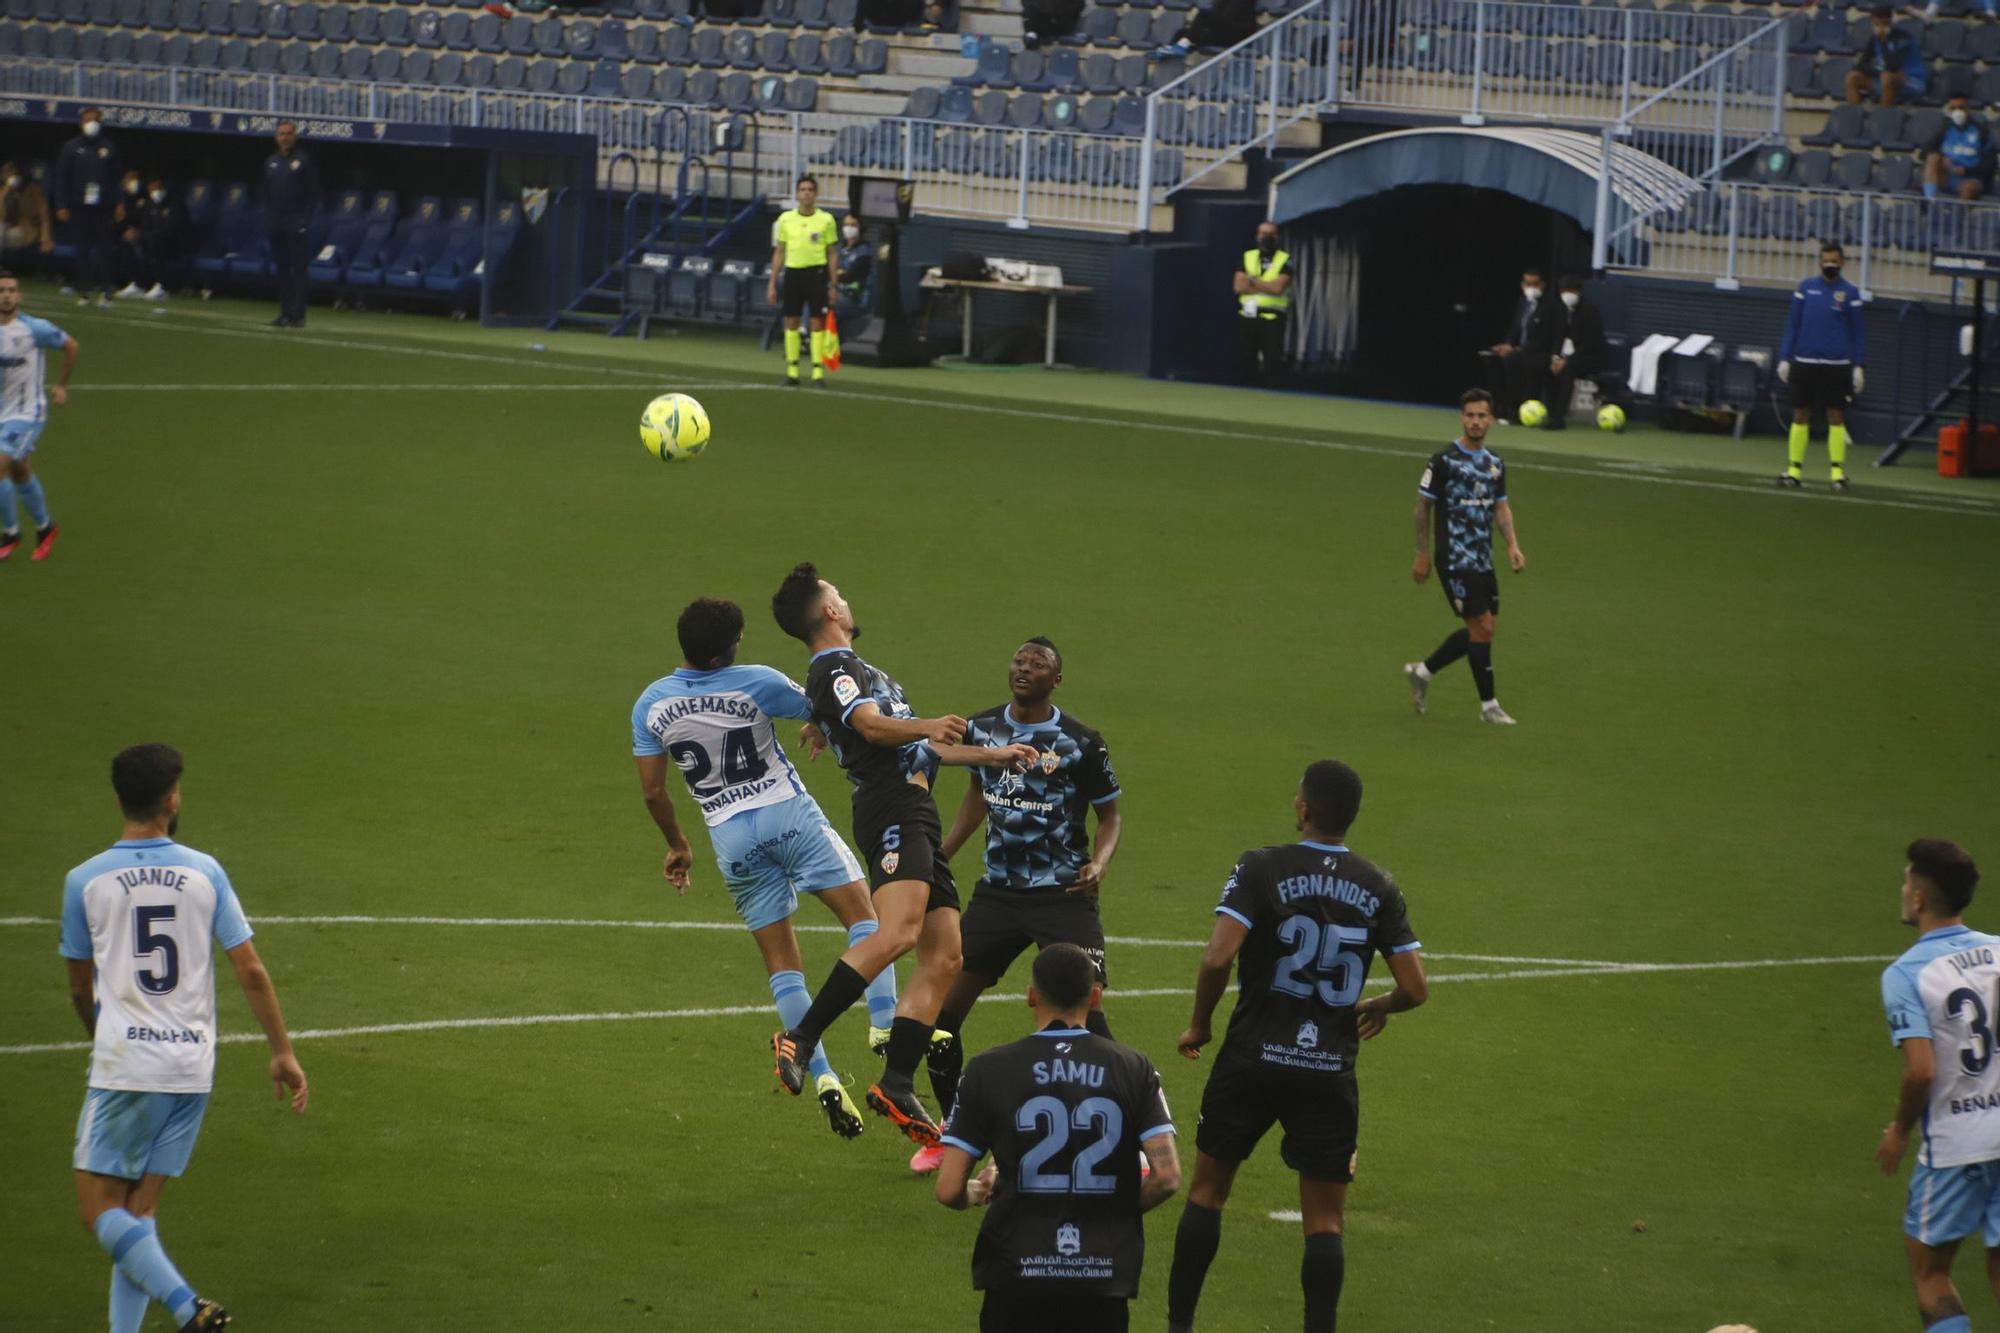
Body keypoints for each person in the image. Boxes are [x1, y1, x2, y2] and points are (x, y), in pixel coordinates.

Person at [767, 562, 1038, 1145]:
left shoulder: (853, 670)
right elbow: (869, 725)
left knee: (945, 957)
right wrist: (925, 724)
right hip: (890, 809)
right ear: (830, 612)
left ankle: (895, 1081)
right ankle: (801, 1037)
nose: (845, 595)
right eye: (838, 592)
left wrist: (996, 757)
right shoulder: (834, 666)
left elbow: (914, 748)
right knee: (896, 934)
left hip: (915, 809)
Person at [1164, 760, 1428, 1333]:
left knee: (1207, 1193)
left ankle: (1179, 1326)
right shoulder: (1379, 885)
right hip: (1328, 1068)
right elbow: (1414, 989)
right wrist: (1379, 1006)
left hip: (1251, 1057)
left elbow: (1217, 956)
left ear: (1303, 808)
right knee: (1326, 1222)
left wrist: (1199, 1025)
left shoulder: (1260, 866)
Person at [632, 597, 904, 1140]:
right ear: (731, 646)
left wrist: (678, 845)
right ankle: (884, 1024)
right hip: (787, 816)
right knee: (868, 919)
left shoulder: (650, 704)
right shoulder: (756, 680)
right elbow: (830, 709)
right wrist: (821, 730)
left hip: (730, 841)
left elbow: (654, 791)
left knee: (784, 967)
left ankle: (822, 1075)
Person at [60, 742, 308, 1333]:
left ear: (120, 798)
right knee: (138, 1214)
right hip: (191, 1069)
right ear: (171, 800)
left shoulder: (85, 881)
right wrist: (282, 1050)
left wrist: (103, 1036)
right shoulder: (204, 872)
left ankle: (187, 1307)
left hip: (126, 1066)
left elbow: (77, 987)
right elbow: (250, 969)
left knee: (99, 1214)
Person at [920, 637, 1123, 1174]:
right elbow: (977, 796)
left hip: (1062, 896)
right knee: (940, 1018)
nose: (1024, 668)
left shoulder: (1081, 742)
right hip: (998, 895)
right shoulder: (981, 729)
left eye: (1038, 664)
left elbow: (1110, 816)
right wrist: (939, 857)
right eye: (1019, 660)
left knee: (1090, 1022)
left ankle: (1127, 1139)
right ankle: (952, 1133)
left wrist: (1099, 864)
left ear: (1056, 681)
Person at [935, 943, 1181, 1333]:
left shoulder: (988, 1069)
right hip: (1101, 1275)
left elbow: (948, 1189)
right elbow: (1167, 1176)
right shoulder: (1134, 1068)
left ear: (1031, 995)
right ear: (1095, 996)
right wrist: (1113, 1214)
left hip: (1015, 1270)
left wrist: (978, 1191)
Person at [1877, 838, 1993, 1333]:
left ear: (1920, 899)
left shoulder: (1907, 974)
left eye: (1907, 882)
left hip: (1957, 1144)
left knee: (1931, 1273)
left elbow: (1921, 1070)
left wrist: (1900, 1131)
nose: (1903, 891)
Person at [1403, 388, 1526, 725]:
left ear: (1490, 419)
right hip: (1454, 558)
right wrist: (1422, 553)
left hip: (1483, 559)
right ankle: (1489, 707)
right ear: (1462, 418)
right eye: (1469, 415)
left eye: (1481, 416)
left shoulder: (1495, 463)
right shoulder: (1443, 461)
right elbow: (1421, 509)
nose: (1475, 422)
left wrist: (1512, 546)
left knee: (1483, 631)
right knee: (1482, 626)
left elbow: (1501, 508)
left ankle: (1423, 672)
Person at [0, 269, 77, 564]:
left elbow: (71, 345)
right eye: (2, 290)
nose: (6, 295)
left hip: (28, 413)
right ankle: (46, 528)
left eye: (11, 290)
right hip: (2, 413)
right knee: (20, 472)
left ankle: (10, 534)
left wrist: (60, 385)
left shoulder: (34, 328)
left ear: (18, 295)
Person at [1776, 240, 1866, 492]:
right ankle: (1794, 470)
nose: (1830, 266)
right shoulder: (1806, 288)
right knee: (1800, 414)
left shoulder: (1850, 293)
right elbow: (1793, 325)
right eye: (1826, 261)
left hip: (1836, 364)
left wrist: (1858, 365)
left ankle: (1837, 473)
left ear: (1842, 263)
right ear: (1819, 262)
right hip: (1804, 362)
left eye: (1834, 262)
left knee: (1836, 417)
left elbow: (1858, 332)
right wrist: (1786, 357)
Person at [768, 176, 840, 387]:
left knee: (817, 322)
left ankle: (817, 372)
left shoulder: (826, 220)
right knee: (792, 320)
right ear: (797, 194)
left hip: (816, 274)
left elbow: (833, 253)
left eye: (810, 189)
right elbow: (779, 252)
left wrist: (833, 284)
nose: (806, 193)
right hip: (793, 273)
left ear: (815, 194)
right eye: (802, 189)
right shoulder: (786, 219)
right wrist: (772, 282)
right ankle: (793, 371)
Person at [54, 108, 124, 308]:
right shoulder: (71, 148)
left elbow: (117, 178)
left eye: (95, 119)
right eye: (88, 119)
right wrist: (61, 204)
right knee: (82, 250)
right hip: (78, 206)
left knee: (104, 250)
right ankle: (84, 291)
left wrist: (119, 203)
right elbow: (62, 178)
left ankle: (105, 291)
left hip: (103, 207)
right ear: (81, 122)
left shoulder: (108, 148)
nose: (92, 123)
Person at [262, 121, 320, 329]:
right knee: (282, 270)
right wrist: (269, 219)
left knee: (299, 270)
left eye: (288, 133)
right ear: (276, 137)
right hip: (277, 223)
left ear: (295, 136)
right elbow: (267, 194)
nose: (285, 137)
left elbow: (313, 194)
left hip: (296, 223)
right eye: (281, 134)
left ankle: (299, 315)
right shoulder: (271, 162)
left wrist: (305, 220)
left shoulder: (303, 161)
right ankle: (285, 313)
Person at [1485, 267, 1557, 422]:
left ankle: (1513, 413)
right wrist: (1507, 344)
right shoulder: (1522, 302)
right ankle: (1496, 410)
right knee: (1492, 358)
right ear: (1522, 284)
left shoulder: (1550, 306)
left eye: (1535, 284)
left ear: (1543, 285)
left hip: (1539, 353)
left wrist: (1517, 349)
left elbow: (1545, 338)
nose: (1531, 287)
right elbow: (1515, 329)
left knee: (1513, 360)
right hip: (1519, 350)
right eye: (1528, 283)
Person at [1542, 274, 1606, 430]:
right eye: (1564, 290)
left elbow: (1590, 343)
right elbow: (1558, 336)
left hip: (1590, 357)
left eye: (1570, 290)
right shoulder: (1561, 309)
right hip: (1568, 356)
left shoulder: (1590, 311)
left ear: (1579, 291)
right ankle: (1550, 412)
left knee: (1568, 369)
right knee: (1547, 367)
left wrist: (1567, 361)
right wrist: (1555, 358)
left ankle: (1559, 418)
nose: (1567, 295)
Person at [1234, 220, 1290, 388]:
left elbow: (1278, 288)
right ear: (1257, 236)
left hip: (1273, 317)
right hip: (1248, 315)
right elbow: (1238, 286)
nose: (1267, 237)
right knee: (1246, 358)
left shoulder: (1285, 260)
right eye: (1263, 234)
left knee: (1272, 360)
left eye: (1271, 234)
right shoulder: (1247, 257)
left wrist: (1253, 281)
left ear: (1277, 237)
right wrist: (1267, 285)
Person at [1925, 95, 1995, 203]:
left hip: (1972, 177)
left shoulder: (1981, 131)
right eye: (1953, 108)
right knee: (1932, 158)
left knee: (1968, 188)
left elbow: (1991, 162)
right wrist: (1943, 159)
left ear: (1968, 108)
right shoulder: (1945, 129)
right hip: (1948, 175)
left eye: (1961, 108)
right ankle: (1929, 201)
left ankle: (1961, 216)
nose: (1957, 112)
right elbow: (1926, 150)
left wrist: (1966, 170)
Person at [1848, 6, 1919, 108]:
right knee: (1852, 77)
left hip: (1911, 80)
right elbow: (1861, 64)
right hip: (1884, 79)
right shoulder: (1874, 39)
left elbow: (1893, 66)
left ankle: (1884, 118)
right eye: (1877, 24)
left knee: (1886, 77)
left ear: (1891, 22)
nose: (1881, 27)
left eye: (1884, 24)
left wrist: (1884, 41)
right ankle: (1854, 116)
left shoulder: (1903, 38)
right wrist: (1878, 72)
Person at [1153, 0, 1256, 57]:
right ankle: (1167, 52)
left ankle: (1182, 47)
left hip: (1237, 36)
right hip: (1224, 32)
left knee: (1204, 15)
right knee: (1182, 33)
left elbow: (1227, 18)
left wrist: (1210, 23)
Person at [1, 162, 56, 257]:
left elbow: (44, 214)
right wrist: (4, 194)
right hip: (8, 226)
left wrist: (46, 237)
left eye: (14, 177)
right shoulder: (4, 191)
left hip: (28, 228)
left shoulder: (33, 189)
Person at [834, 213, 874, 323]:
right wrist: (838, 272)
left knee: (827, 300)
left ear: (860, 227)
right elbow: (827, 270)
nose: (849, 228)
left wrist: (835, 273)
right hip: (834, 290)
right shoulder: (838, 247)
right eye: (846, 225)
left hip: (854, 298)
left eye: (853, 225)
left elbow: (850, 276)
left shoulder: (864, 251)